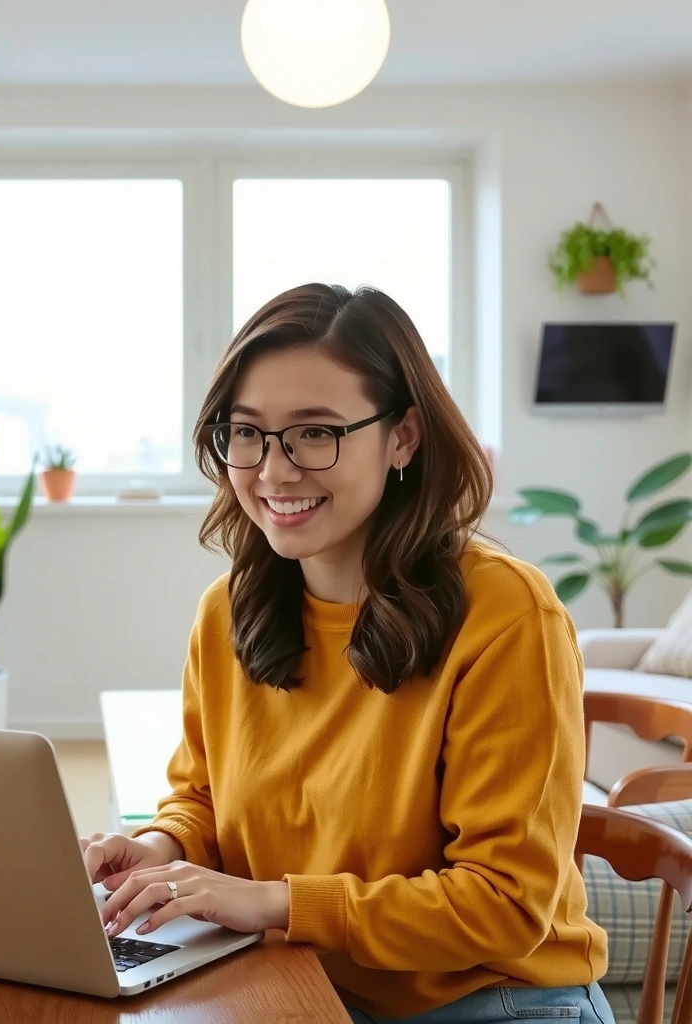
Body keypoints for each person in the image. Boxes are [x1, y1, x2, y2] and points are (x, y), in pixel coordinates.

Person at [81, 284, 613, 1023]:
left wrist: (275, 902)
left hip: (494, 1002)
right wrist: (162, 843)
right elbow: (203, 794)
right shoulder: (227, 611)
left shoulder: (507, 616)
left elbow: (506, 903)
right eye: (245, 432)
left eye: (315, 433)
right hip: (310, 985)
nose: (273, 470)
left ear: (403, 437)